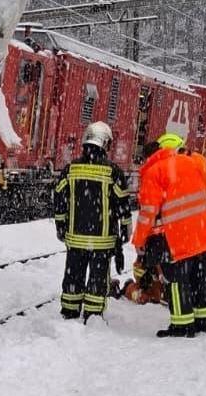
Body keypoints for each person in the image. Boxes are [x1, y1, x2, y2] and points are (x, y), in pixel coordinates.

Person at [132, 133, 206, 338]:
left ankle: (182, 326)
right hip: (204, 233)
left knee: (177, 281)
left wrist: (139, 241)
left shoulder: (154, 172)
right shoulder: (192, 163)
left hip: (178, 238)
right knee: (200, 279)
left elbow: (148, 212)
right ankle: (201, 322)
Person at [52, 121, 131, 323]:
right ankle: (93, 316)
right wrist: (125, 229)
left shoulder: (71, 169)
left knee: (73, 276)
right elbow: (123, 203)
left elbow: (59, 198)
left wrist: (60, 225)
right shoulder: (113, 172)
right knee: (97, 279)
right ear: (106, 143)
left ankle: (69, 311)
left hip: (75, 237)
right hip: (102, 240)